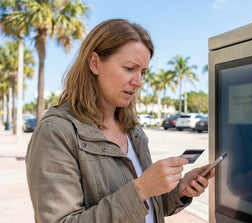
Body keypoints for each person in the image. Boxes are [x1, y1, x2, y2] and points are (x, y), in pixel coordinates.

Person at [25, 19, 214, 223]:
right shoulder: (56, 131)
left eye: (143, 72)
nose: (139, 82)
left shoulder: (132, 130)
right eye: (129, 68)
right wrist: (141, 189)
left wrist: (179, 190)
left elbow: (148, 208)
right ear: (95, 63)